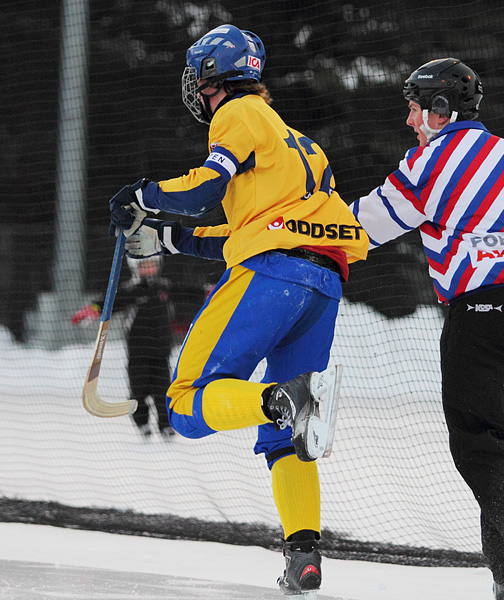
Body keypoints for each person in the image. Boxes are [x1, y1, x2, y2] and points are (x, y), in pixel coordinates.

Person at [108, 24, 368, 598]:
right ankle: (304, 554)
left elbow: (205, 188)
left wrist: (143, 197)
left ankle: (280, 399)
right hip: (322, 285)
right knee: (288, 435)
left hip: (271, 276)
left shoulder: (238, 114)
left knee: (185, 403)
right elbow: (233, 227)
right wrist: (168, 238)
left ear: (209, 78)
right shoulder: (299, 143)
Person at [349, 58, 504, 600]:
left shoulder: (429, 163)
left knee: (478, 438)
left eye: (415, 110)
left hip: (479, 309)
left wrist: (298, 223)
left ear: (440, 110)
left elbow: (364, 226)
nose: (410, 122)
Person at [72, 255, 175, 438]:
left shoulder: (165, 287)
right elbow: (111, 302)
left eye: (152, 266)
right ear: (136, 269)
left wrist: (210, 292)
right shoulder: (132, 291)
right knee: (138, 391)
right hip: (137, 354)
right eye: (145, 266)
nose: (149, 270)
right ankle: (142, 424)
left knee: (164, 392)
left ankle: (166, 426)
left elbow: (190, 293)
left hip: (161, 354)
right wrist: (94, 309)